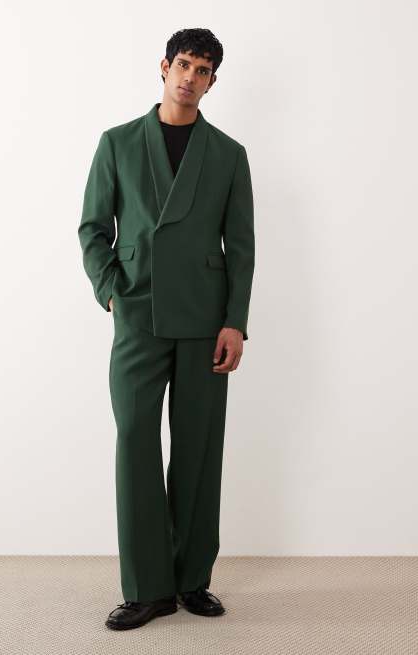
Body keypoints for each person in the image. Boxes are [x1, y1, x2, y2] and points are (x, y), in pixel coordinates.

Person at [78, 27, 255, 630]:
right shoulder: (118, 142)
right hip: (139, 313)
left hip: (206, 320)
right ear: (164, 66)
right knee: (135, 441)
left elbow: (242, 247)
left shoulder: (228, 154)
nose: (190, 77)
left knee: (199, 447)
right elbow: (93, 229)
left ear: (212, 82)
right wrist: (110, 290)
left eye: (203, 70)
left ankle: (191, 580)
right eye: (183, 64)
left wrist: (235, 322)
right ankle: (147, 588)